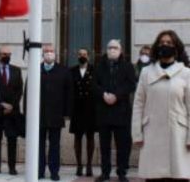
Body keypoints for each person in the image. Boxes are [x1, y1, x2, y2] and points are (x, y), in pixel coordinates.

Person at [132, 30, 190, 181]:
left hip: (178, 137)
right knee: (153, 177)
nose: (165, 45)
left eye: (169, 43)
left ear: (176, 47)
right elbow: (138, 105)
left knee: (177, 177)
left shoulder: (186, 73)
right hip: (152, 135)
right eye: (162, 43)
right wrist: (137, 133)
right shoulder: (146, 72)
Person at [94, 39, 137, 182]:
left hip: (122, 111)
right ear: (106, 50)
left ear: (121, 50)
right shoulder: (99, 66)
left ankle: (122, 172)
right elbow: (94, 84)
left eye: (115, 47)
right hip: (104, 111)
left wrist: (117, 96)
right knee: (104, 145)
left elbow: (131, 85)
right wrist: (103, 94)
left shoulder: (128, 66)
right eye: (110, 47)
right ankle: (105, 172)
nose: (112, 50)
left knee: (123, 145)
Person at [37, 44, 71, 181]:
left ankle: (54, 171)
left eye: (51, 51)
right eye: (46, 51)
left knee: (54, 145)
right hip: (39, 115)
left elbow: (69, 92)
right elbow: (29, 90)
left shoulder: (63, 71)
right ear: (42, 54)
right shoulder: (36, 68)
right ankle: (39, 170)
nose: (49, 53)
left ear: (55, 54)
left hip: (56, 114)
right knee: (39, 144)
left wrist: (67, 112)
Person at [0, 45, 23, 176]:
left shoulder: (16, 70)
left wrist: (11, 105)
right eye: (4, 54)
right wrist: (1, 104)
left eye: (9, 54)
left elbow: (19, 90)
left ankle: (12, 167)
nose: (7, 56)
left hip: (12, 112)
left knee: (12, 140)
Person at [70, 48, 95, 178]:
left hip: (90, 108)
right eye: (80, 54)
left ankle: (89, 165)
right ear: (77, 56)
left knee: (90, 137)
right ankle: (79, 165)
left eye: (85, 54)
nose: (82, 56)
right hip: (77, 108)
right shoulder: (72, 71)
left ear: (89, 56)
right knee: (77, 138)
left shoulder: (94, 70)